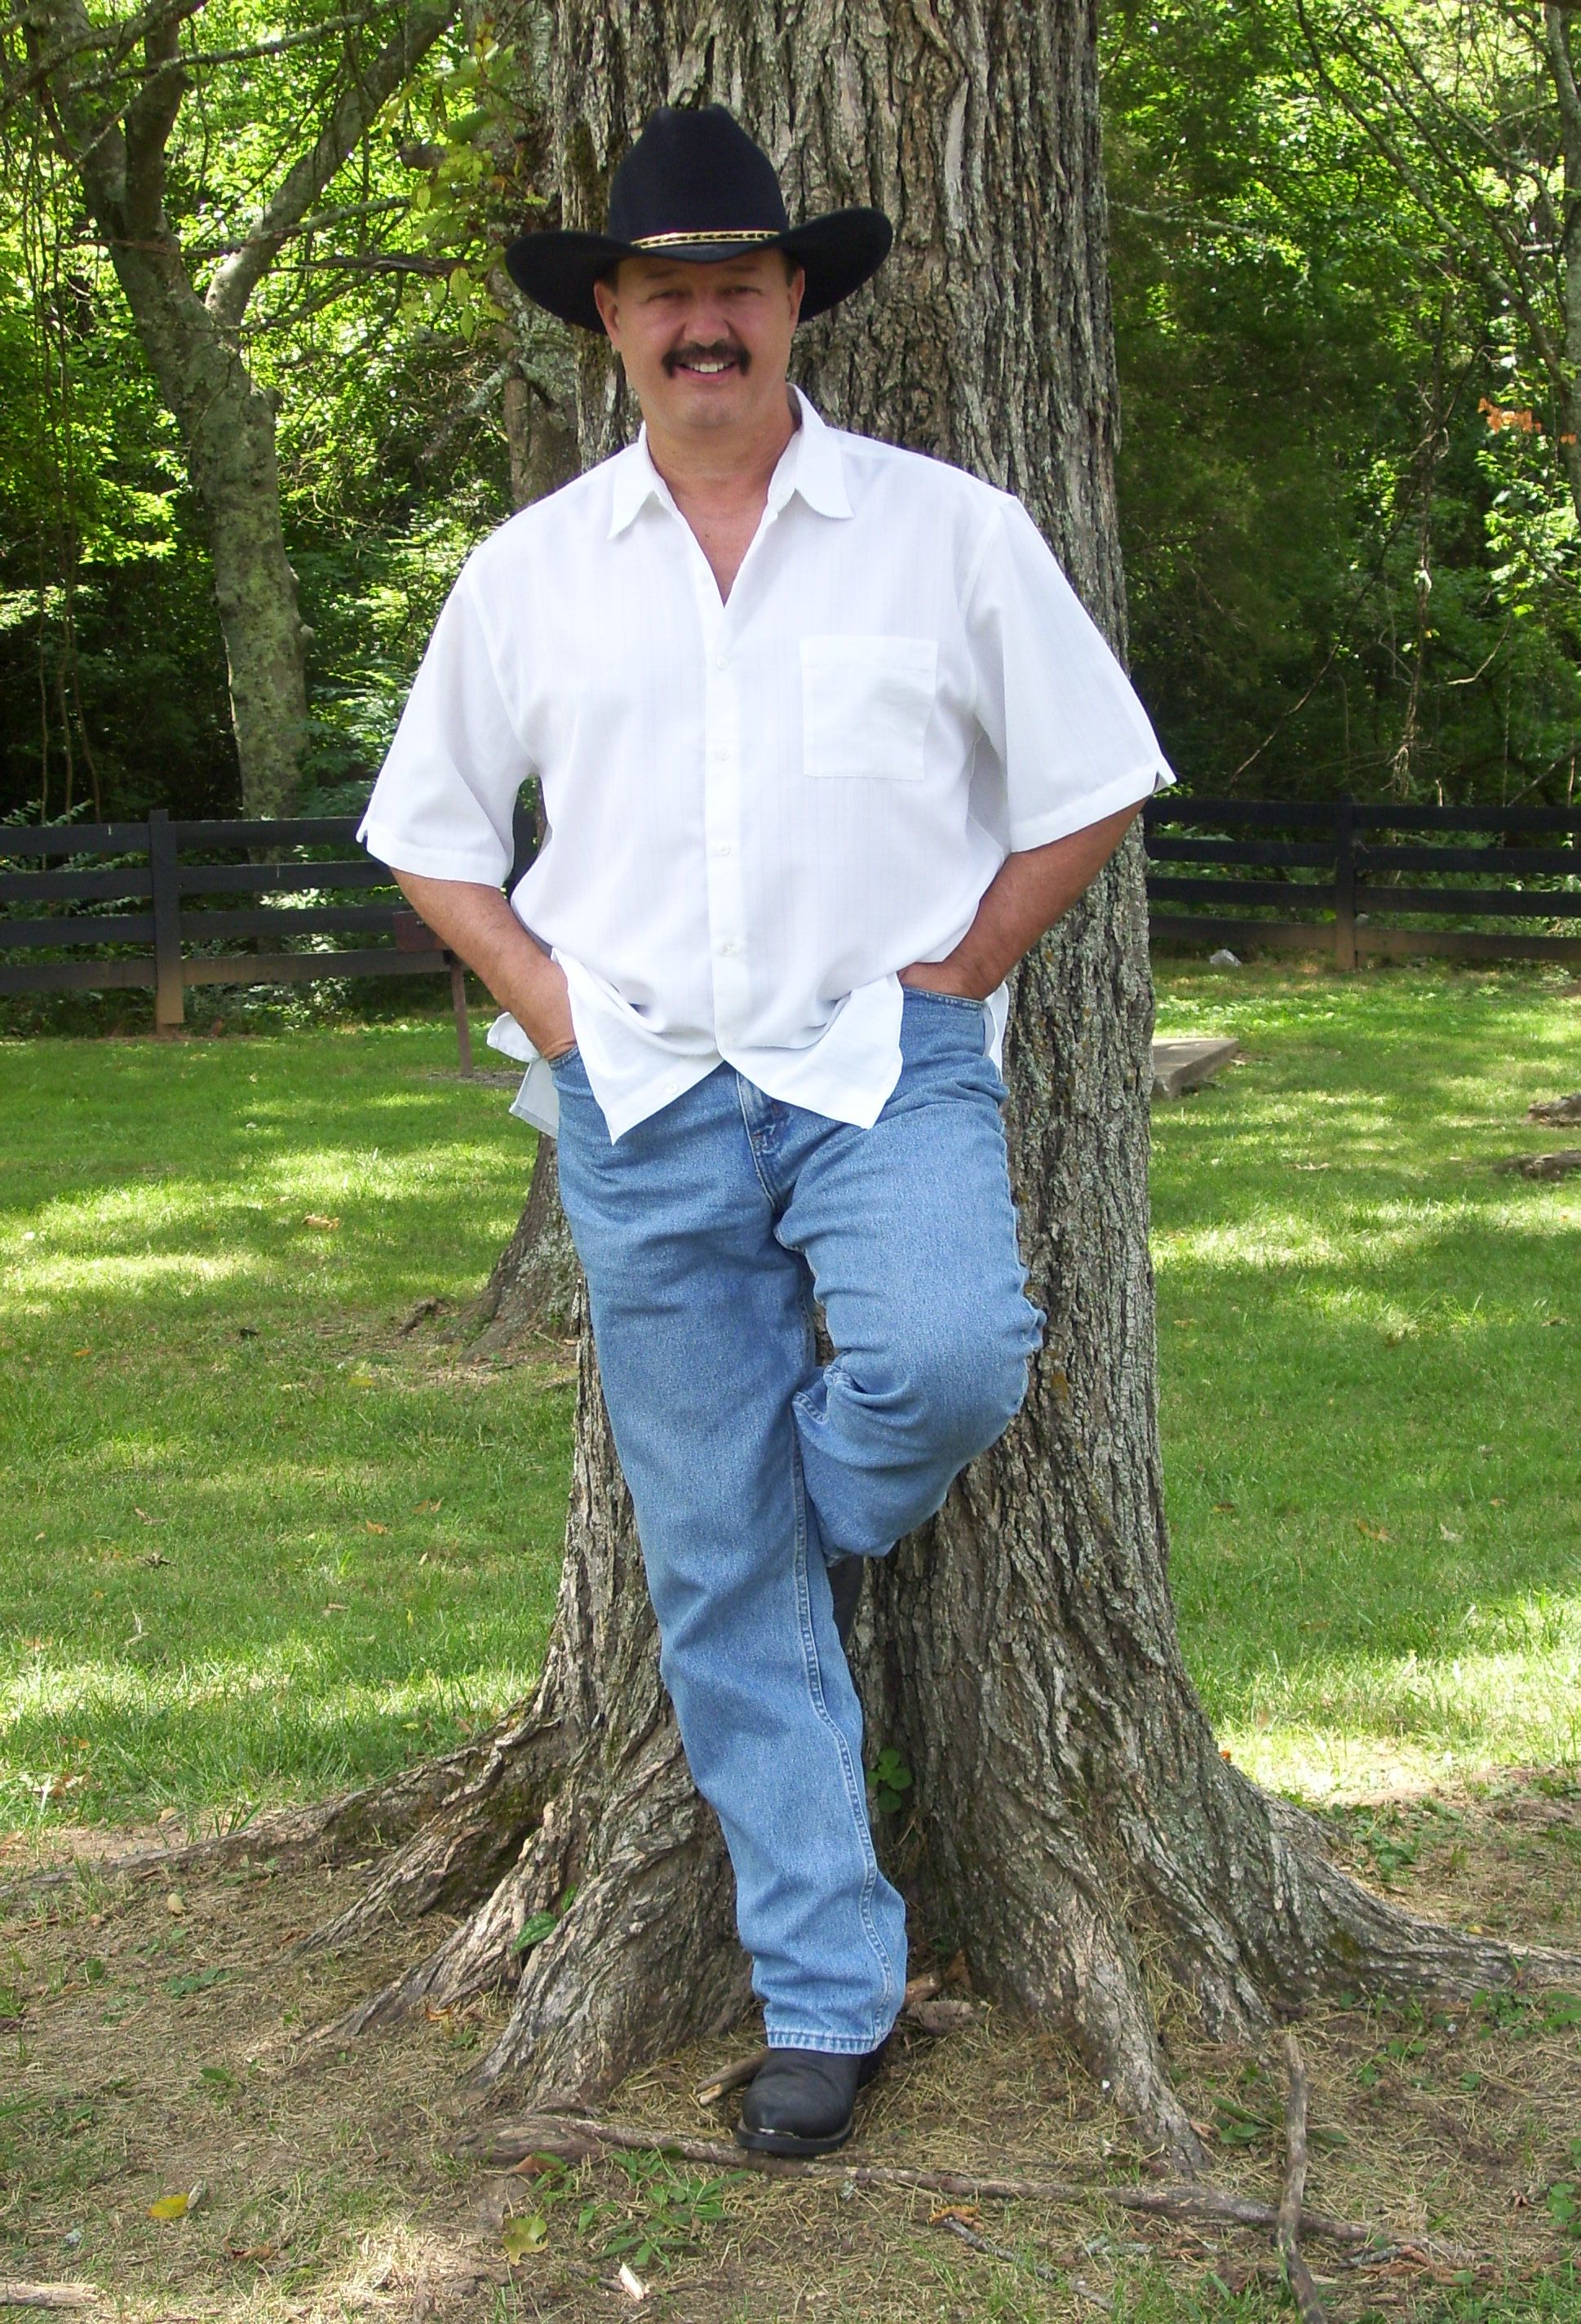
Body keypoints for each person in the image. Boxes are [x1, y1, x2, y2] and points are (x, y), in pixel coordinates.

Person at [356, 102, 1173, 2158]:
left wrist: (969, 964)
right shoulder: (530, 576)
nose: (702, 321)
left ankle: (763, 1531)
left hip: (878, 1062)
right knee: (709, 1564)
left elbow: (1091, 773)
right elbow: (427, 835)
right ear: (611, 320)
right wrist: (551, 1003)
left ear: (796, 297)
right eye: (666, 292)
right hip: (636, 1092)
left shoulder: (945, 532)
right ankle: (827, 1992)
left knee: (946, 1359)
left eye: (737, 284)